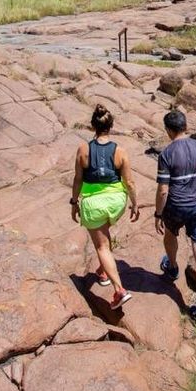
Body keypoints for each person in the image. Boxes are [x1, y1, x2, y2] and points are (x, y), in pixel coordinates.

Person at [71, 104, 139, 309]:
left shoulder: (83, 150)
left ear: (93, 126)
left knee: (101, 246)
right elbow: (129, 183)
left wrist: (74, 202)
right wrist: (135, 204)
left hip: (94, 203)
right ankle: (102, 272)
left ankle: (119, 290)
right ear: (111, 126)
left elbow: (78, 179)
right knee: (104, 235)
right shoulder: (120, 151)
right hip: (116, 201)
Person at [154, 110, 196, 324]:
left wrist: (158, 213)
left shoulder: (167, 154)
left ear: (168, 130)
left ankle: (172, 267)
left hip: (176, 206)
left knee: (170, 233)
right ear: (185, 126)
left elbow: (163, 190)